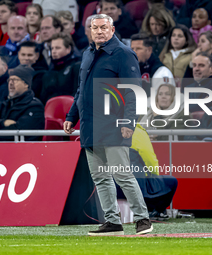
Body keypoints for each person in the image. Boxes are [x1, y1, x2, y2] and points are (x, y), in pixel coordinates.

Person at [63, 14, 152, 236]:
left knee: (122, 174)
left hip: (114, 126)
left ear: (112, 29)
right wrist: (71, 116)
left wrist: (128, 122)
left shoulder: (123, 54)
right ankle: (112, 222)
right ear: (90, 30)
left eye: (104, 27)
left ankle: (143, 220)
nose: (100, 31)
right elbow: (80, 91)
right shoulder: (88, 53)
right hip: (91, 127)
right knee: (101, 177)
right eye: (95, 28)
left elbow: (133, 92)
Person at [116, 124, 178, 220]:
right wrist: (154, 176)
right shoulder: (138, 132)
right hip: (136, 186)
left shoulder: (106, 130)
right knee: (171, 181)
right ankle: (154, 211)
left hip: (111, 185)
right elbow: (150, 160)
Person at [0, 65, 45, 141]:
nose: (11, 83)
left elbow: (19, 131)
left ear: (26, 84)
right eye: (9, 80)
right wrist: (3, 123)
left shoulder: (34, 106)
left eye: (15, 80)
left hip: (24, 150)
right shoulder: (5, 104)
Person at [40, 32, 81, 104]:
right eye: (52, 48)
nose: (54, 51)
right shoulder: (48, 74)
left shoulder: (76, 68)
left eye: (58, 48)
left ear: (68, 49)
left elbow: (78, 94)